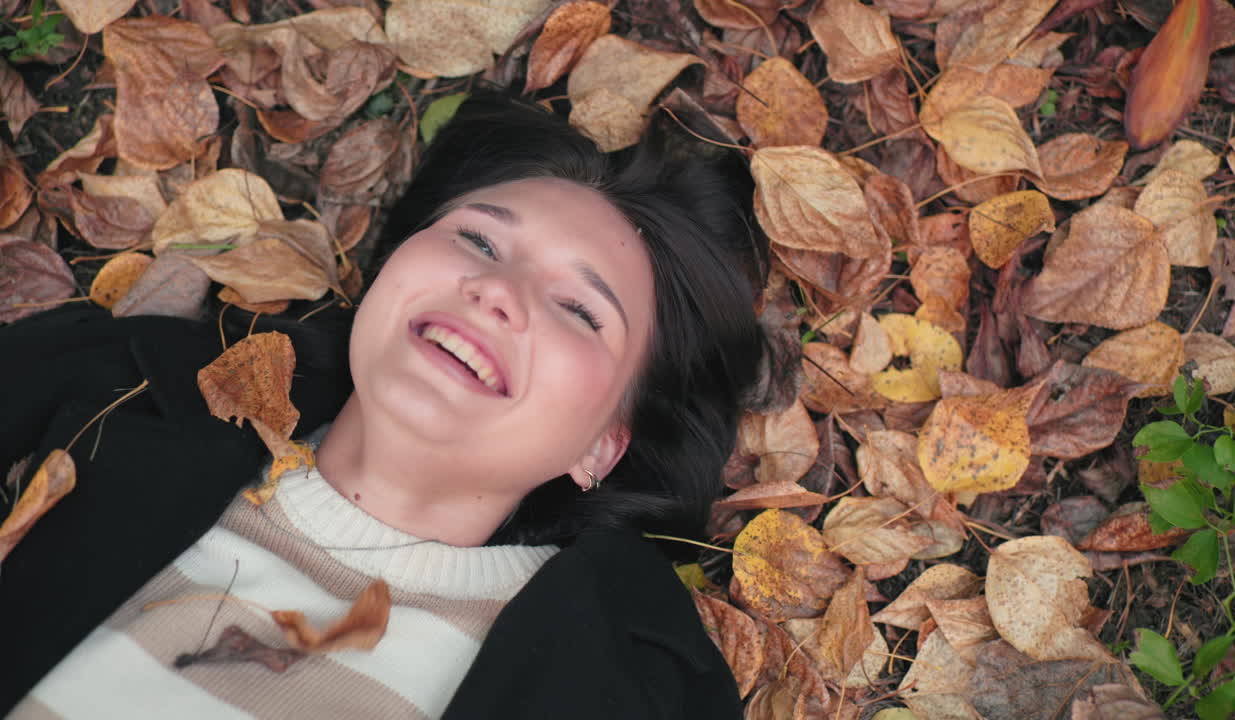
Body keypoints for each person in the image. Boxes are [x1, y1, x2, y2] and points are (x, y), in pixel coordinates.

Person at [0, 91, 771, 718]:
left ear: (602, 447)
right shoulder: (104, 387)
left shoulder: (624, 691)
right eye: (478, 241)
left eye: (579, 311)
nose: (498, 292)